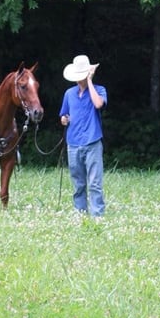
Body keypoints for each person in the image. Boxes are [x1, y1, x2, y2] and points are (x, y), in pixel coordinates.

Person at [59, 54, 107, 219]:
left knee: (94, 183)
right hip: (73, 143)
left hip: (92, 141)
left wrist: (90, 82)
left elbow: (98, 104)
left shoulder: (99, 90)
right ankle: (80, 214)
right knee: (78, 183)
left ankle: (97, 215)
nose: (79, 80)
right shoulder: (69, 93)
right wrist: (64, 119)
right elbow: (63, 115)